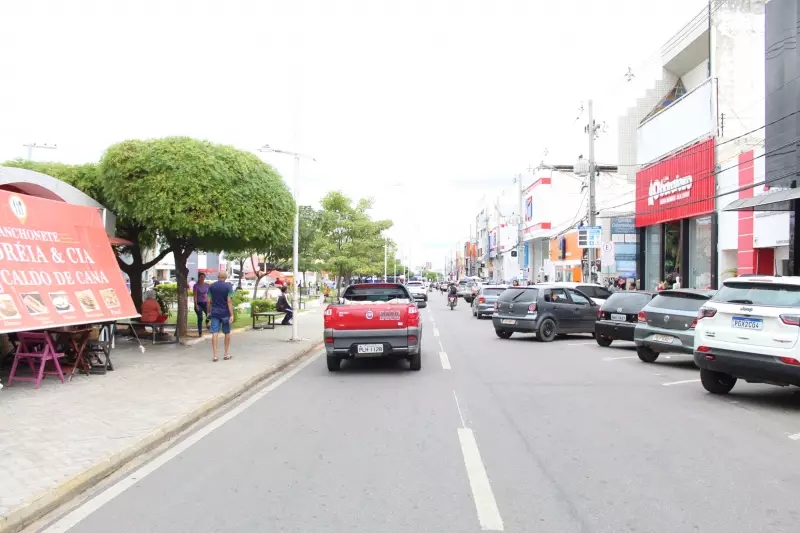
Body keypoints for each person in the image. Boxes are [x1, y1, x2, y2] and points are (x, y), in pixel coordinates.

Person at [207, 271, 234, 362]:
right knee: (227, 332)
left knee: (215, 332)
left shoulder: (212, 286)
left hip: (215, 313)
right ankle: (226, 354)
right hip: (225, 313)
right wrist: (231, 314)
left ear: (218, 277)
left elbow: (208, 300)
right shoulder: (228, 287)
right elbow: (229, 301)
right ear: (225, 277)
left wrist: (208, 312)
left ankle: (215, 355)